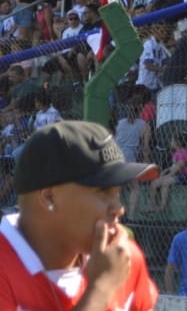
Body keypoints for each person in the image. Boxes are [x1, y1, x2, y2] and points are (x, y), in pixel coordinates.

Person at [0, 119, 159, 310]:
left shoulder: (123, 258)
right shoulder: (5, 266)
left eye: (117, 192)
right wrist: (100, 290)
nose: (119, 208)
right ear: (49, 197)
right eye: (102, 191)